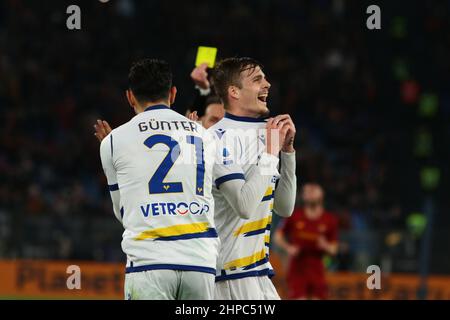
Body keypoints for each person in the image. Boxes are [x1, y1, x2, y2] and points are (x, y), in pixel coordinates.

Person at [98, 58, 219, 300]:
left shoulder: (112, 141)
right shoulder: (204, 136)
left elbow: (123, 213)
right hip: (200, 262)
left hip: (149, 263)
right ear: (173, 94)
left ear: (130, 97)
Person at [208, 57, 297, 299]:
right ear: (234, 91)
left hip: (259, 273)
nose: (267, 84)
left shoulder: (267, 133)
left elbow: (285, 208)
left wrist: (287, 152)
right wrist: (270, 152)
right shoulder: (215, 139)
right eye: (258, 79)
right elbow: (244, 206)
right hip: (228, 277)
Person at [274, 183, 338, 300]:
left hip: (318, 266)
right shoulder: (295, 215)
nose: (310, 193)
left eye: (313, 190)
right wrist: (288, 247)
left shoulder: (329, 219)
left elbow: (334, 249)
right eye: (307, 191)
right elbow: (278, 236)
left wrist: (325, 245)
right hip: (297, 267)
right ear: (303, 196)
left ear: (321, 195)